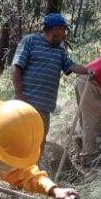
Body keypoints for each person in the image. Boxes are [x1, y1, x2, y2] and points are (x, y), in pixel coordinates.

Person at [11, 13, 92, 153]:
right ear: (56, 29)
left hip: (44, 110)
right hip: (24, 104)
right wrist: (19, 94)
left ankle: (30, 174)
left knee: (37, 148)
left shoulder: (60, 51)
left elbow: (71, 66)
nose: (64, 35)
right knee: (16, 143)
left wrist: (88, 71)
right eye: (63, 30)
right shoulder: (30, 40)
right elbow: (16, 66)